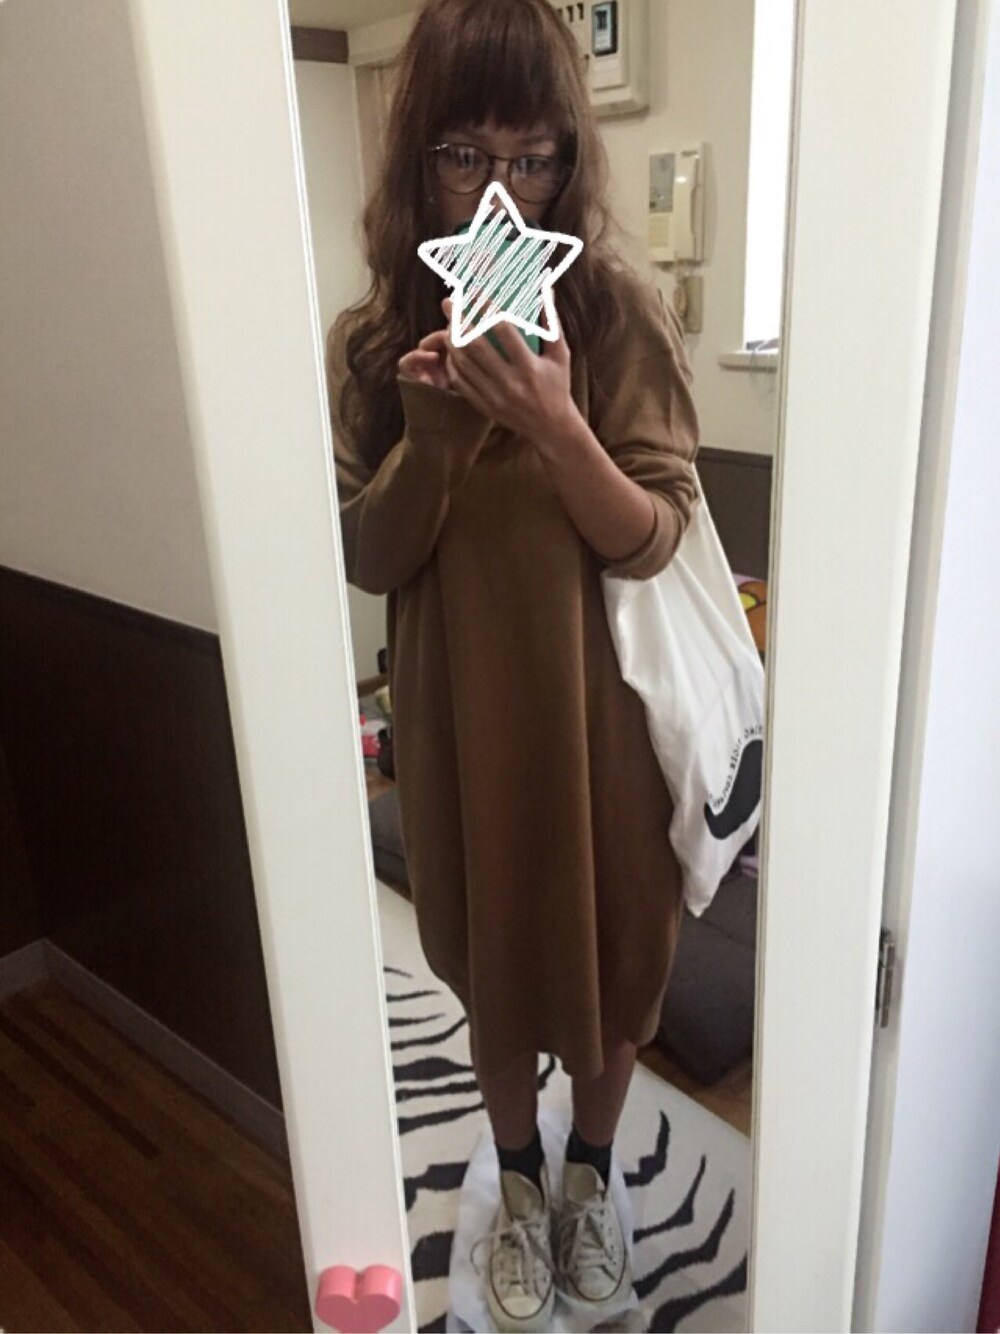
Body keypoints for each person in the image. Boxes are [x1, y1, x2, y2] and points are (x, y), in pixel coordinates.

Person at [325, 2, 700, 1329]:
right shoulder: (373, 340)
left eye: (532, 158)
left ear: (567, 162)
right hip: (456, 718)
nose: (499, 191)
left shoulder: (614, 315)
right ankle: (523, 1179)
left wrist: (555, 424)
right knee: (491, 960)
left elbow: (654, 534)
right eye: (464, 156)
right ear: (417, 158)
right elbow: (367, 556)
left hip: (606, 719)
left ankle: (592, 1174)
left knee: (616, 956)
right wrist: (431, 439)